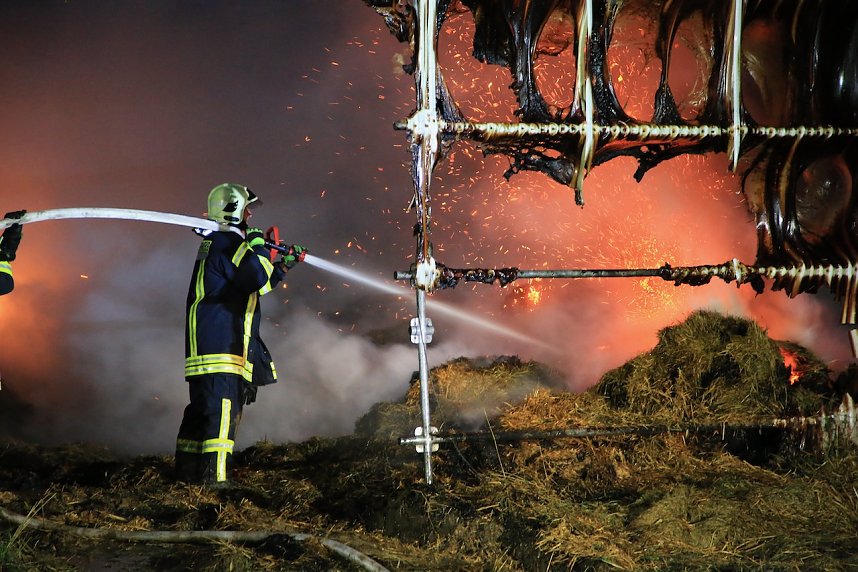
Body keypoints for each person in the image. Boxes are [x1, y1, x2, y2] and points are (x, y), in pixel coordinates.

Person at [175, 184, 305, 486]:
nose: (250, 215)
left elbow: (257, 284)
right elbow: (256, 275)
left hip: (215, 344)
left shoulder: (223, 245)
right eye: (247, 209)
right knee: (221, 415)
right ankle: (215, 483)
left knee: (202, 414)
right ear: (232, 210)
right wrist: (258, 245)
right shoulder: (229, 244)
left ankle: (186, 477)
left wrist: (283, 266)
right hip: (220, 346)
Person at [0, 210, 26, 296]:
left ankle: (15, 224)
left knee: (7, 248)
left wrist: (14, 223)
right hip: (5, 281)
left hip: (4, 280)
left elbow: (9, 244)